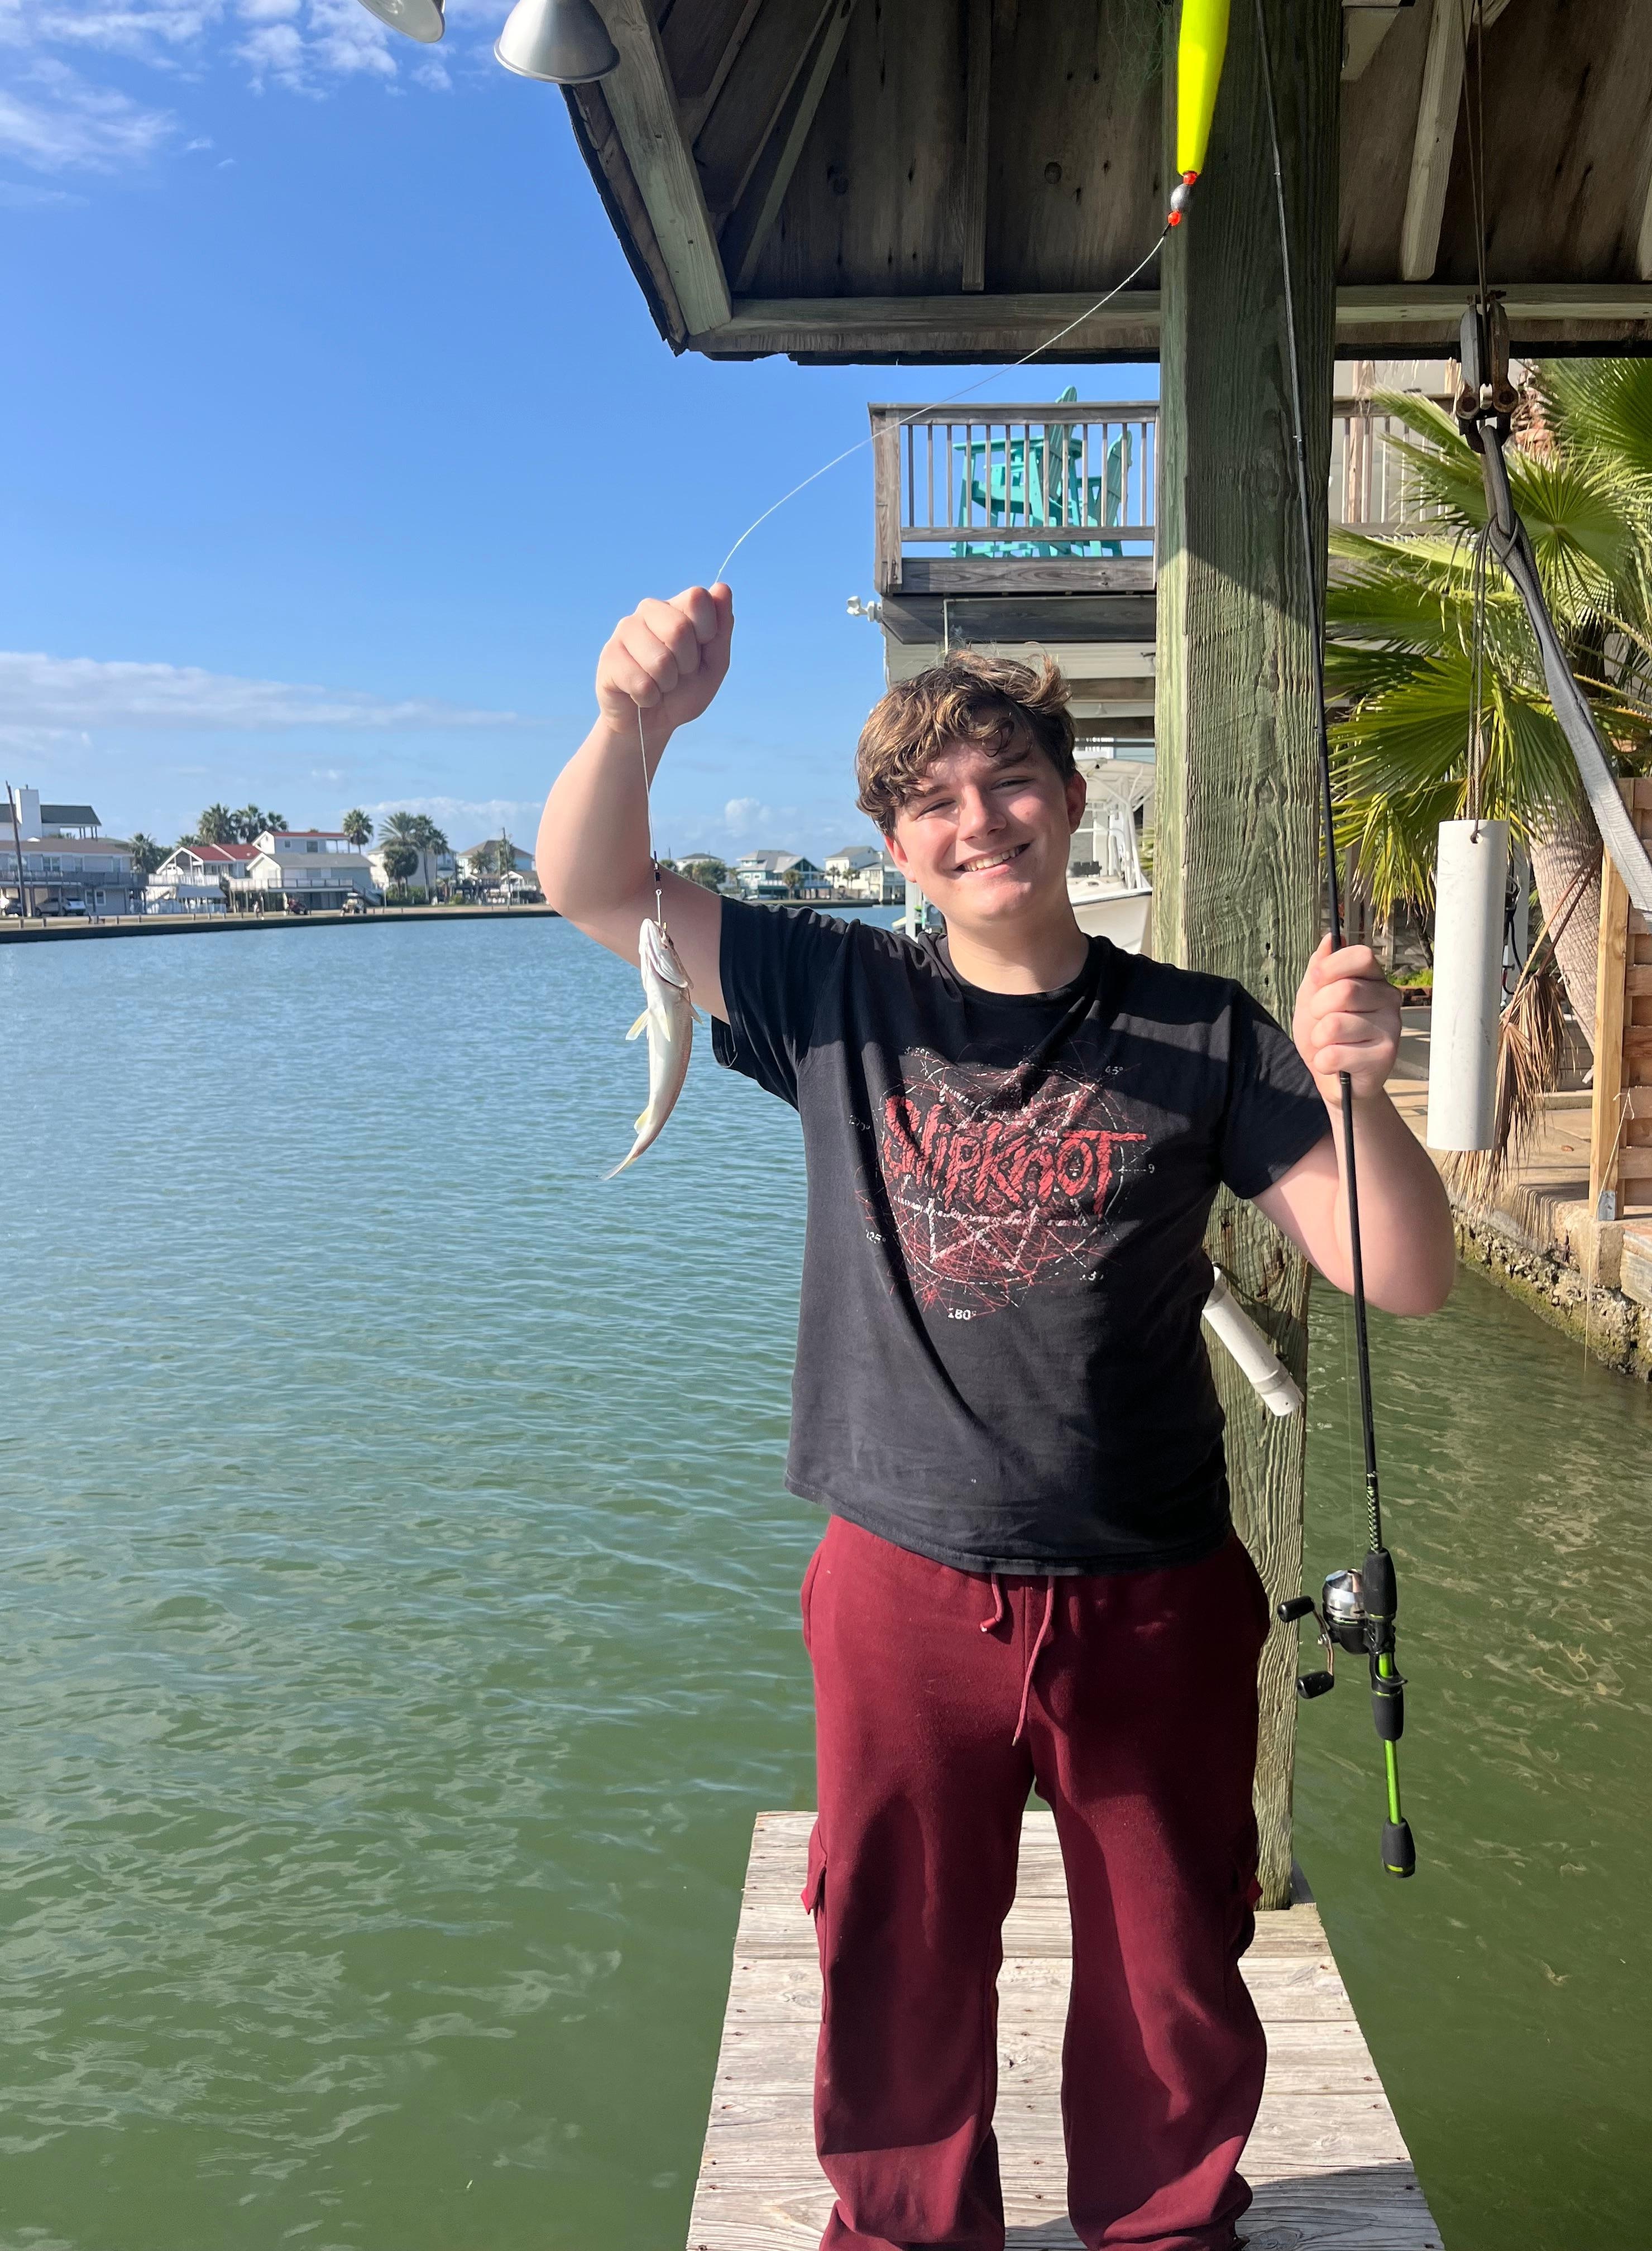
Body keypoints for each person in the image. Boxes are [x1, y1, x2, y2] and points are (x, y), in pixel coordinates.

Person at [536, 585, 1454, 2251]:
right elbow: (593, 886)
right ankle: (904, 2229)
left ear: (1072, 795)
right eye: (935, 801)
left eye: (1011, 777)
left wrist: (1362, 1097)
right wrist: (629, 724)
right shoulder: (827, 995)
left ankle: (1166, 2224)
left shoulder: (1205, 1029)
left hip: (1156, 1593)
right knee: (893, 1949)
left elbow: (1399, 1275)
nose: (981, 820)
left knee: (1172, 1963)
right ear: (894, 845)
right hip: (899, 1588)